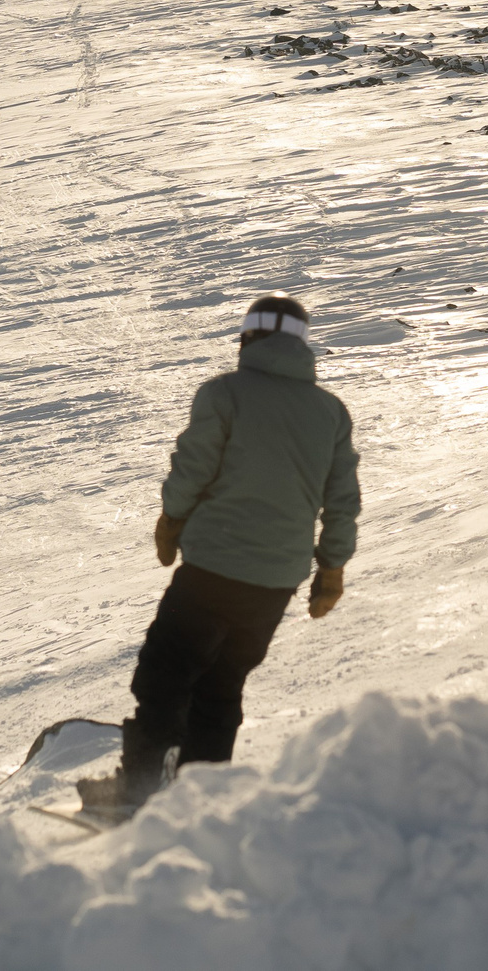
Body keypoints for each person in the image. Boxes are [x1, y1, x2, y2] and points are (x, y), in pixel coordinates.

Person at [93, 295, 362, 814]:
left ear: (249, 337)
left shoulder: (225, 395)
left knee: (165, 675)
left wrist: (172, 519)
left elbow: (192, 468)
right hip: (276, 580)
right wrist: (331, 568)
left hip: (215, 566)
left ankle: (142, 791)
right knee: (221, 686)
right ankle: (199, 798)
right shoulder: (330, 411)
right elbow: (342, 501)